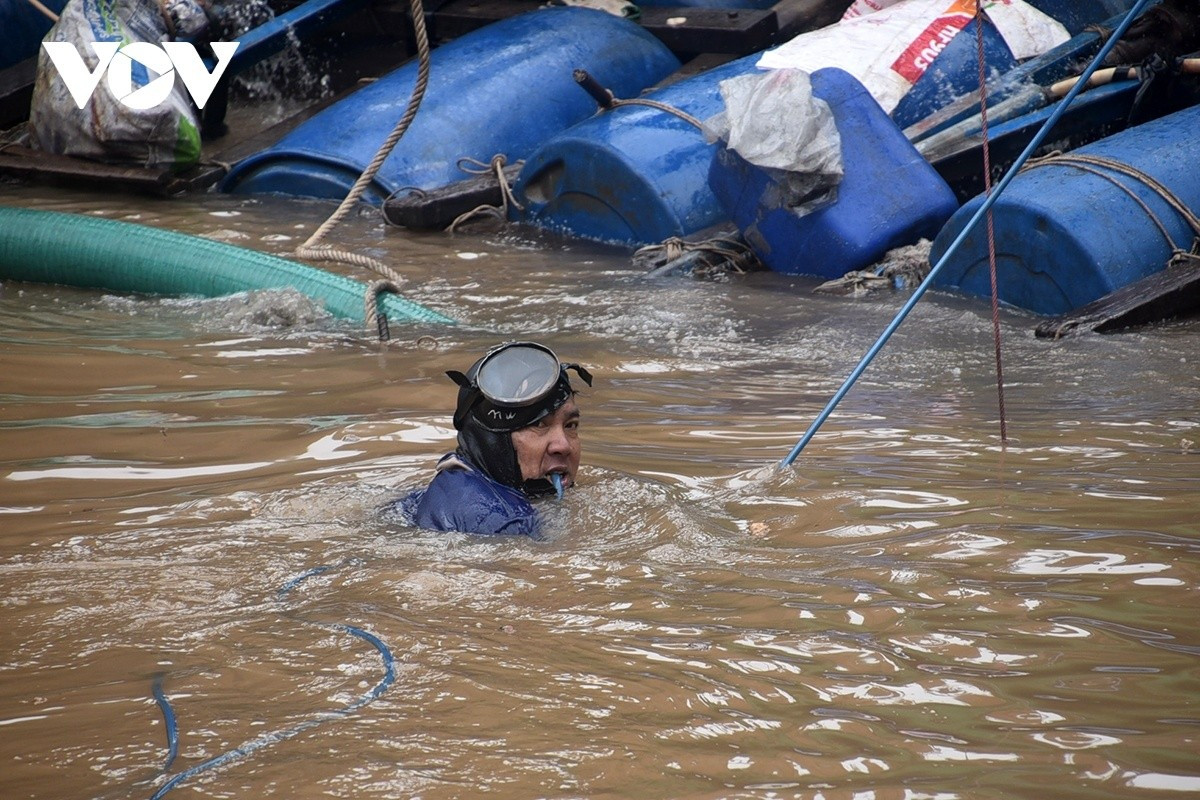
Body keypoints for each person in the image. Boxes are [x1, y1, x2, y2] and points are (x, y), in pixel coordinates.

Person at [394, 342, 592, 536]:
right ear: (494, 441)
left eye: (570, 425)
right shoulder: (503, 524)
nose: (563, 445)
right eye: (539, 425)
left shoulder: (448, 483)